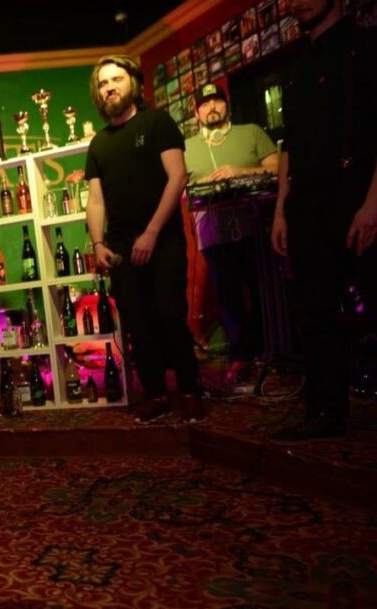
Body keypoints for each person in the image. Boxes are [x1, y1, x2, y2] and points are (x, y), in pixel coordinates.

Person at [269, 0, 377, 443]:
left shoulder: (365, 46)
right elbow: (289, 146)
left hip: (357, 195)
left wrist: (373, 204)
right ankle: (324, 413)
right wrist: (281, 208)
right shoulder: (296, 66)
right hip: (306, 206)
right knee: (315, 315)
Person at [84, 54, 205, 424]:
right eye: (103, 83)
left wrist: (151, 233)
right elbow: (96, 199)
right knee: (138, 324)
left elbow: (177, 177)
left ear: (133, 84)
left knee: (170, 317)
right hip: (120, 247)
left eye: (116, 79)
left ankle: (190, 391)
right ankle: (156, 394)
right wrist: (98, 244)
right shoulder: (98, 144)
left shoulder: (157, 122)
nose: (110, 87)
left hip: (162, 239)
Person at [183, 82, 279, 383]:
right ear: (196, 112)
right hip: (214, 233)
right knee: (228, 296)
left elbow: (277, 168)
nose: (211, 107)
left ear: (227, 104)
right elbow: (179, 187)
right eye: (205, 103)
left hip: (256, 227)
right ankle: (241, 357)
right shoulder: (187, 147)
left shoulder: (251, 132)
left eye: (217, 101)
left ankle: (272, 352)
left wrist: (240, 173)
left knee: (264, 290)